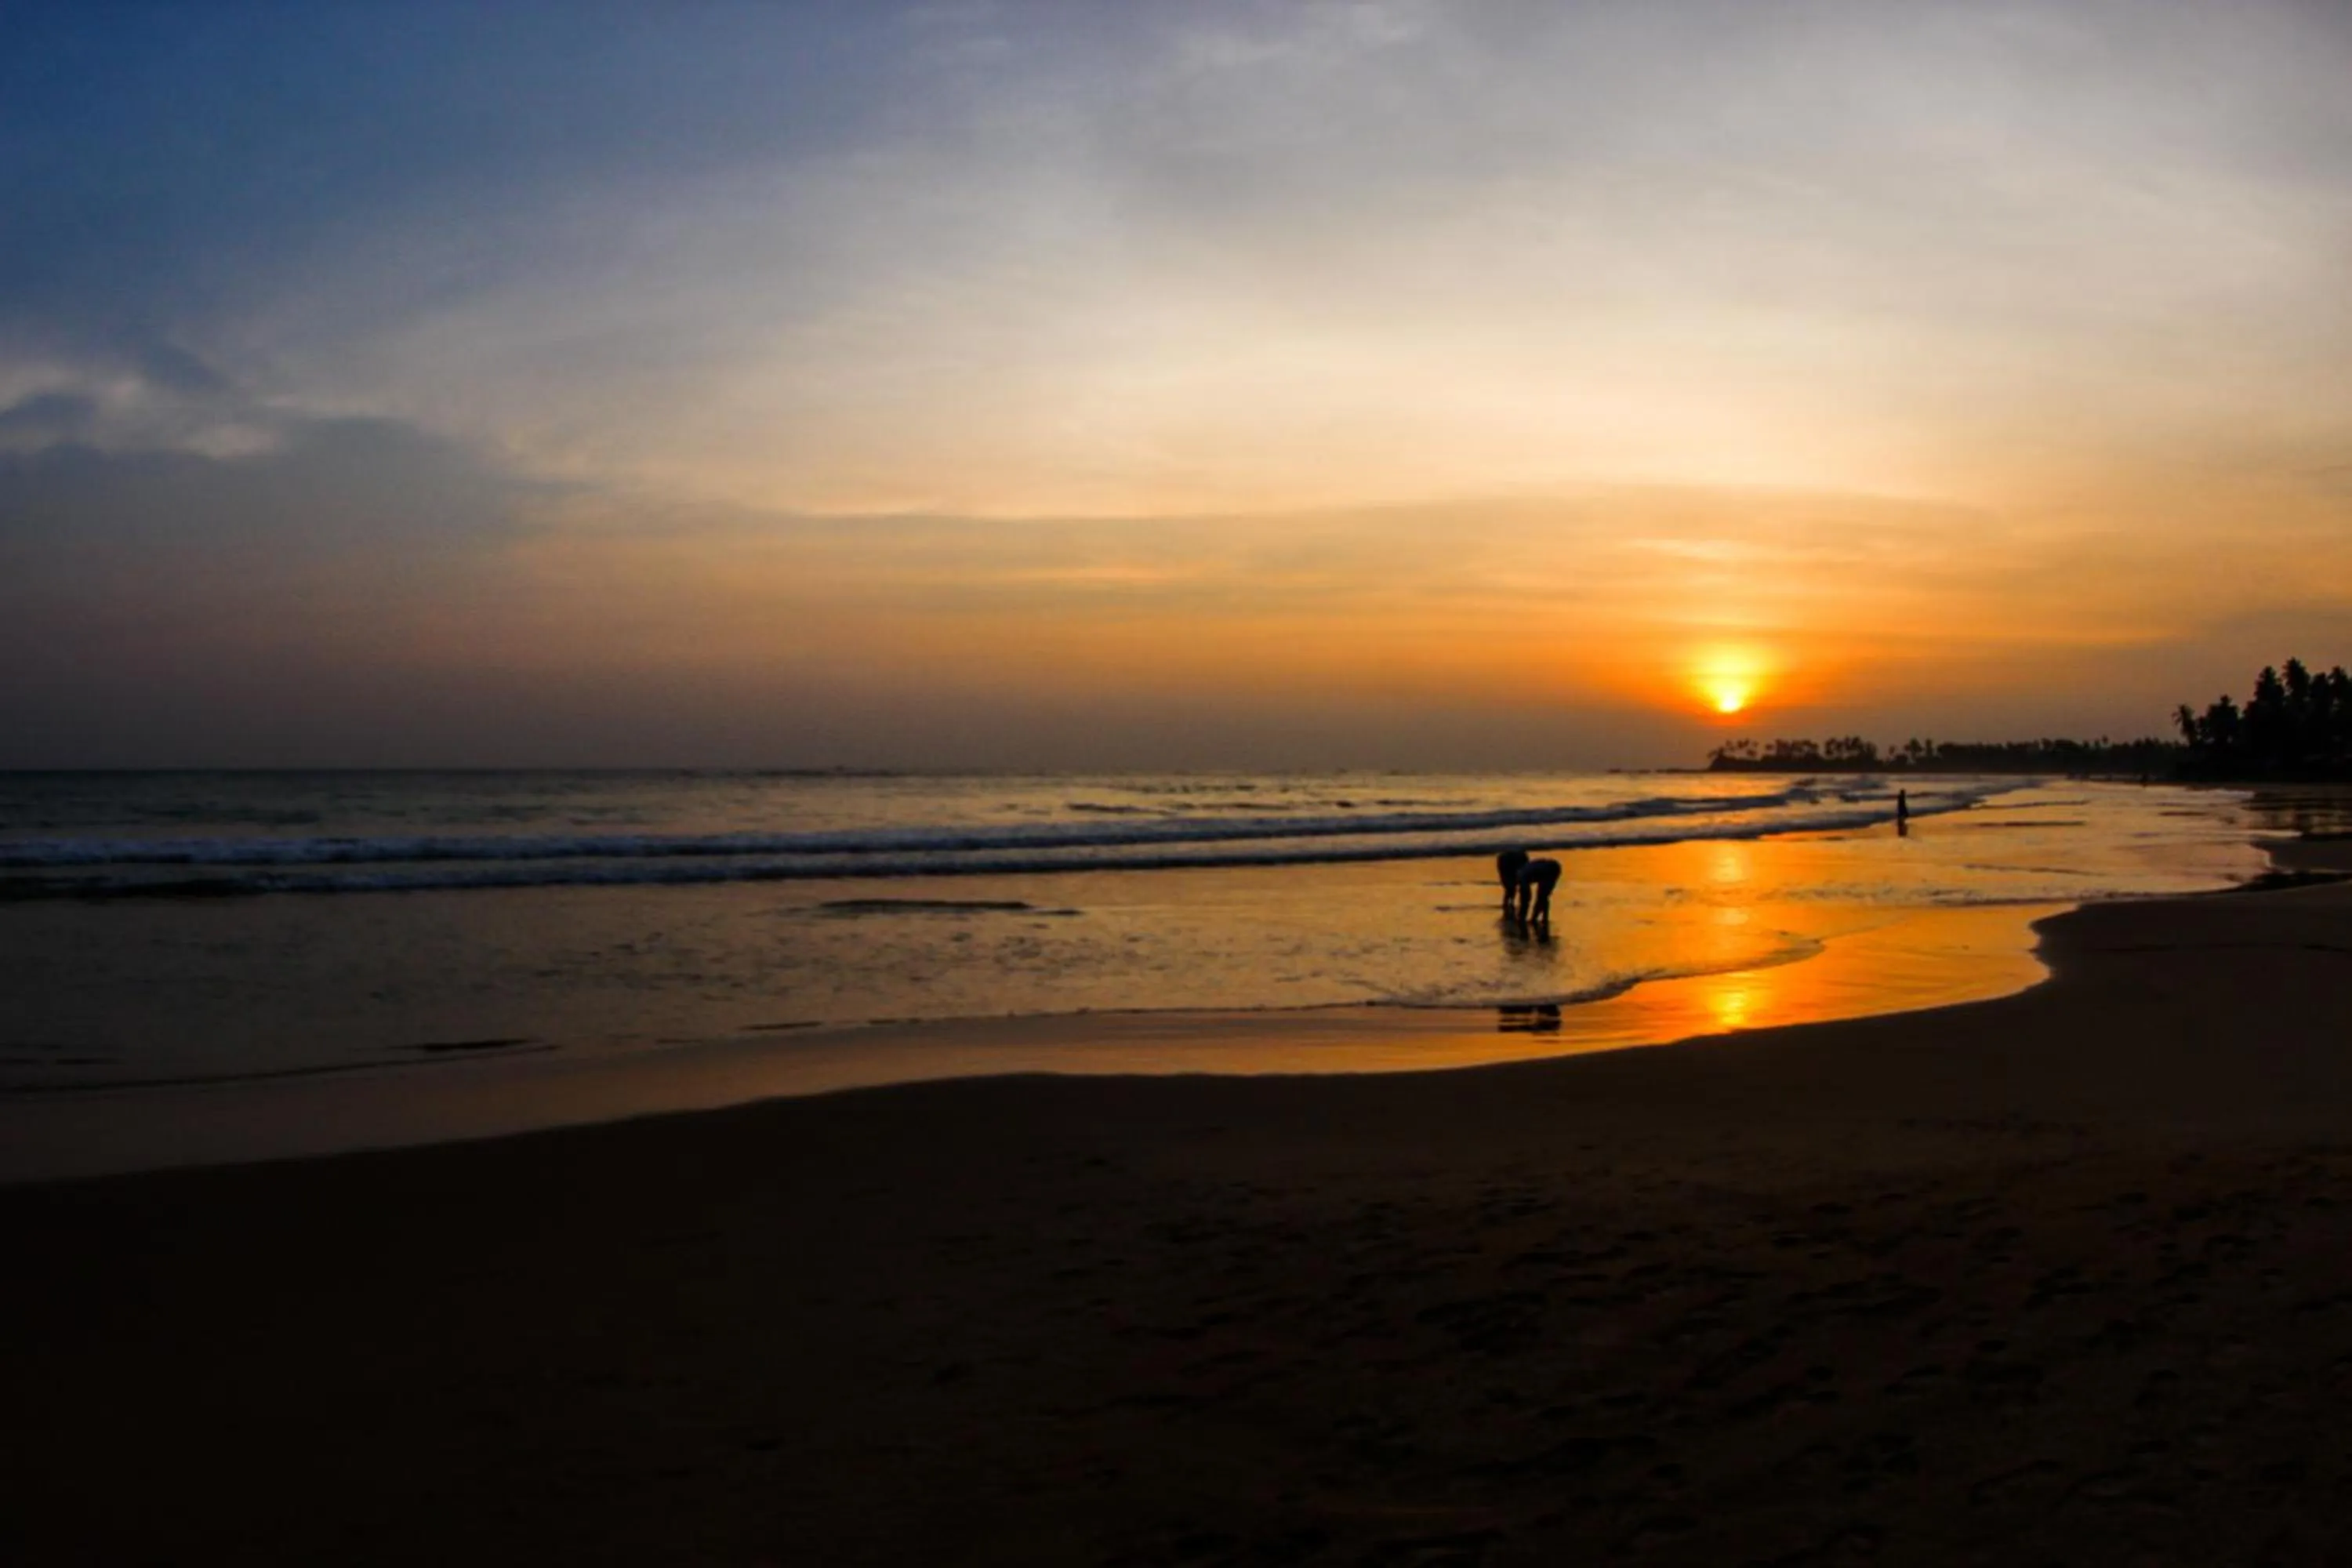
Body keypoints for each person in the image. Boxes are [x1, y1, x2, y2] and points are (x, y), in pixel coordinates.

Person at [1515, 856, 1563, 926]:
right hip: (1554, 867)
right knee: (1543, 896)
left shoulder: (1521, 875)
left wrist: (1522, 916)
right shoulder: (1525, 870)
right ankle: (1541, 918)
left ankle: (1536, 919)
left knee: (1542, 896)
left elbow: (1526, 898)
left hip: (1549, 869)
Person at [1496, 848, 1529, 913]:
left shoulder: (1521, 858)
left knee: (1510, 888)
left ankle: (1508, 903)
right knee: (1510, 888)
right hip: (1508, 863)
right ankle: (1508, 903)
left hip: (1511, 863)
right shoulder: (1505, 858)